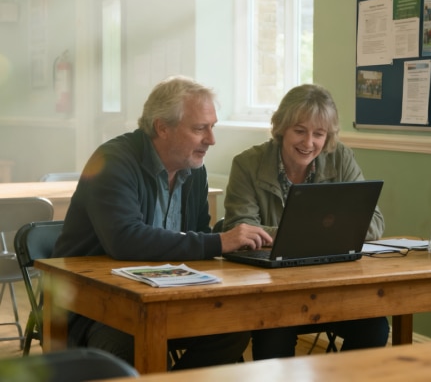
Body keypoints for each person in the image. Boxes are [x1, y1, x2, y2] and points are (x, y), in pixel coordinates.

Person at [52, 75, 272, 370]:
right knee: (130, 344)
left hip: (163, 297)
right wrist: (219, 242)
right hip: (95, 304)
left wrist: (231, 245)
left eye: (212, 127)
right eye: (199, 129)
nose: (211, 139)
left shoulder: (194, 170)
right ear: (162, 127)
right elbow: (125, 239)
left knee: (231, 330)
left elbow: (196, 237)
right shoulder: (112, 161)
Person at [222, 83, 389, 360]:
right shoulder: (247, 164)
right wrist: (314, 233)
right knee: (273, 341)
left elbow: (374, 222)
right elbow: (240, 229)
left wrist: (301, 236)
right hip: (271, 293)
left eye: (318, 134)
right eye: (299, 131)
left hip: (331, 287)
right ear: (281, 128)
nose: (308, 143)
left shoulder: (341, 158)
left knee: (375, 329)